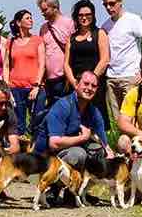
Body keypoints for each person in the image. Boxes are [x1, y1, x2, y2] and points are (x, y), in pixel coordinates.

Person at [38, 69, 110, 201]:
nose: (89, 88)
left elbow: (106, 146)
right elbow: (54, 143)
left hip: (66, 153)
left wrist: (114, 162)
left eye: (93, 86)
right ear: (76, 84)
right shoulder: (63, 105)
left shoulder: (94, 112)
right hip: (46, 158)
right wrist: (83, 137)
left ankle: (77, 191)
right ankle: (52, 189)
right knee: (78, 154)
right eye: (86, 84)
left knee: (99, 152)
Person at [100, 0, 142, 133]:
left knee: (134, 121)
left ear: (120, 2)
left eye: (112, 3)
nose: (108, 7)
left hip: (131, 78)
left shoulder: (133, 19)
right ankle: (123, 147)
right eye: (105, 5)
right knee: (118, 123)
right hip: (111, 79)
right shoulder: (105, 26)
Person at [6, 9, 42, 138]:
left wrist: (37, 86)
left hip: (34, 87)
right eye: (27, 18)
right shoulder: (10, 42)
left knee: (37, 120)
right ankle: (20, 147)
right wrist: (6, 86)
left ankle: (36, 146)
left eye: (31, 18)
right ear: (18, 22)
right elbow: (6, 65)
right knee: (18, 124)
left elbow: (42, 64)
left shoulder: (37, 40)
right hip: (15, 87)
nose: (31, 20)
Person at [37, 0, 74, 106]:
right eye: (41, 10)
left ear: (55, 7)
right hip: (49, 80)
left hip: (64, 78)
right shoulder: (43, 28)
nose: (42, 13)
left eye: (45, 10)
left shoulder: (69, 23)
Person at [63, 0, 107, 93]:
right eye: (81, 15)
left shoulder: (100, 33)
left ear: (93, 15)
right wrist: (74, 83)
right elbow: (66, 64)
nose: (84, 18)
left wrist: (90, 81)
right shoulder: (71, 38)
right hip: (76, 86)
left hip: (94, 86)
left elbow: (104, 60)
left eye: (87, 15)